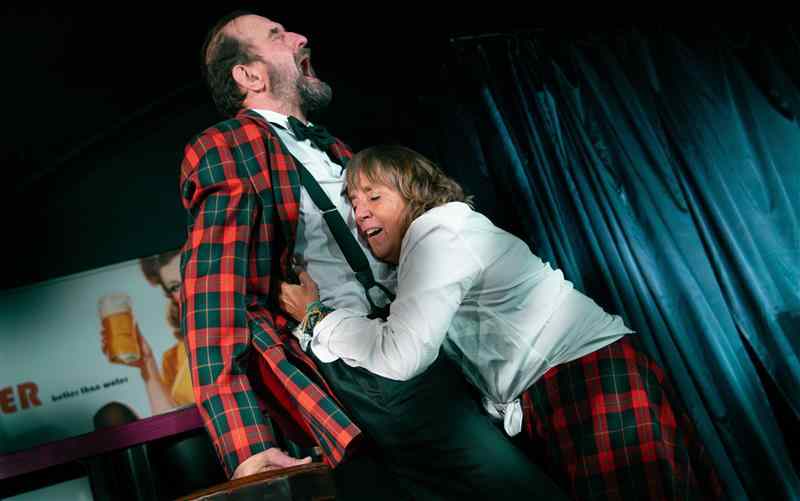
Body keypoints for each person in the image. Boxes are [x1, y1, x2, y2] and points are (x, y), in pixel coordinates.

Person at [180, 10, 565, 500]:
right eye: (277, 35)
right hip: (365, 370)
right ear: (250, 76)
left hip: (420, 347)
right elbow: (212, 301)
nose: (299, 36)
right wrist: (245, 445)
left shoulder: (337, 150)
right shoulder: (226, 146)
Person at [279, 145, 724, 501]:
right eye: (354, 204)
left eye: (374, 197)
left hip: (590, 381)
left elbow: (402, 354)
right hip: (562, 388)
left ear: (414, 192)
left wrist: (317, 317)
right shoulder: (433, 245)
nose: (360, 215)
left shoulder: (438, 234)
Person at [99, 249, 192, 415]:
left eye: (192, 276)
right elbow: (172, 424)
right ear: (171, 296)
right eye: (176, 287)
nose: (188, 292)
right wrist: (146, 363)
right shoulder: (173, 358)